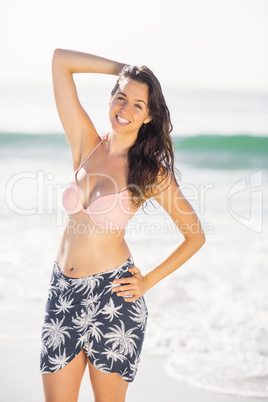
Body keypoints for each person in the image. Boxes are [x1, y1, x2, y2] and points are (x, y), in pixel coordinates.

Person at [40, 48, 206, 402]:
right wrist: (124, 70)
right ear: (111, 98)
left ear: (148, 116)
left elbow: (195, 236)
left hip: (113, 299)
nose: (125, 110)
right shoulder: (86, 143)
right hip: (63, 295)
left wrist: (147, 281)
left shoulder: (150, 172)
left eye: (138, 105)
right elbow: (60, 61)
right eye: (121, 98)